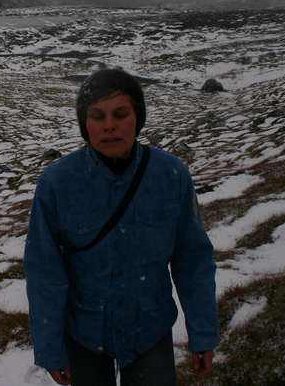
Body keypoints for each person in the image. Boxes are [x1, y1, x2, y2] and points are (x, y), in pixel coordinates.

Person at [24, 68, 218, 386]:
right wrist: (50, 348)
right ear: (85, 124)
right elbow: (44, 271)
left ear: (137, 118)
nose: (109, 125)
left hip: (150, 330)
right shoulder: (57, 183)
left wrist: (203, 333)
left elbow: (193, 260)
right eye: (97, 116)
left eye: (120, 114)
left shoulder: (171, 175)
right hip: (84, 334)